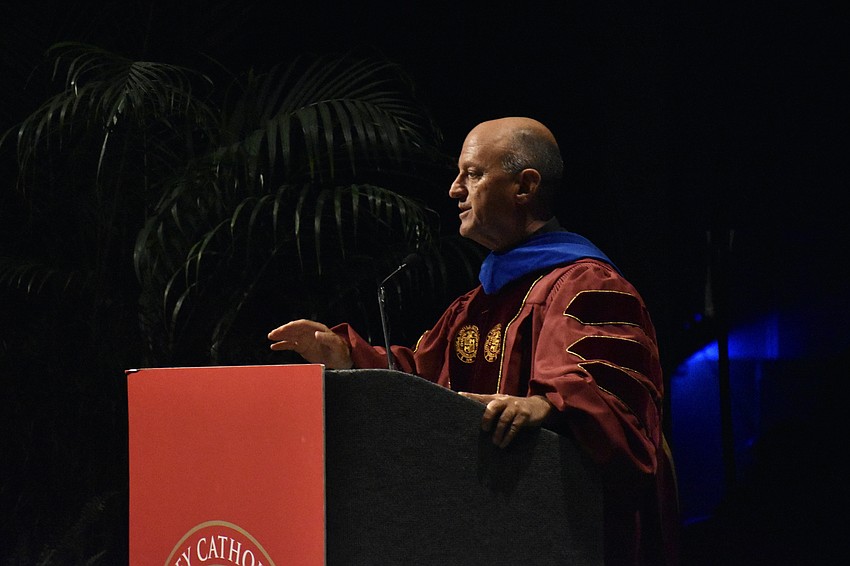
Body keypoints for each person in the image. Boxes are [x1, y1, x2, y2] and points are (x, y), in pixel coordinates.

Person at [268, 117, 679, 565]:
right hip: (479, 530)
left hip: (567, 537)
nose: (454, 189)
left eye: (473, 174)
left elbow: (620, 405)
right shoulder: (475, 304)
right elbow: (424, 379)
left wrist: (551, 406)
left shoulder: (588, 285)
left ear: (524, 187)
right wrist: (346, 355)